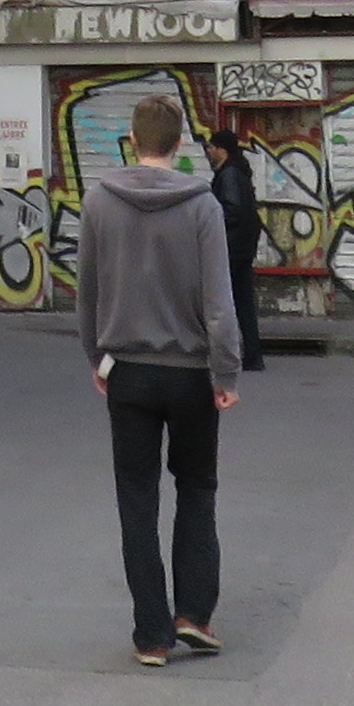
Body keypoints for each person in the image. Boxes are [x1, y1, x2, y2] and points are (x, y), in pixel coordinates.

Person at [74, 90, 262, 666]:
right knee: (196, 487)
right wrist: (226, 371)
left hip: (128, 372)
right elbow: (219, 301)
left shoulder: (98, 202)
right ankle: (194, 615)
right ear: (180, 144)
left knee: (136, 498)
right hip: (191, 375)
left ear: (132, 141)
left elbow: (87, 292)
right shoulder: (202, 206)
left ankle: (151, 635)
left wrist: (97, 357)